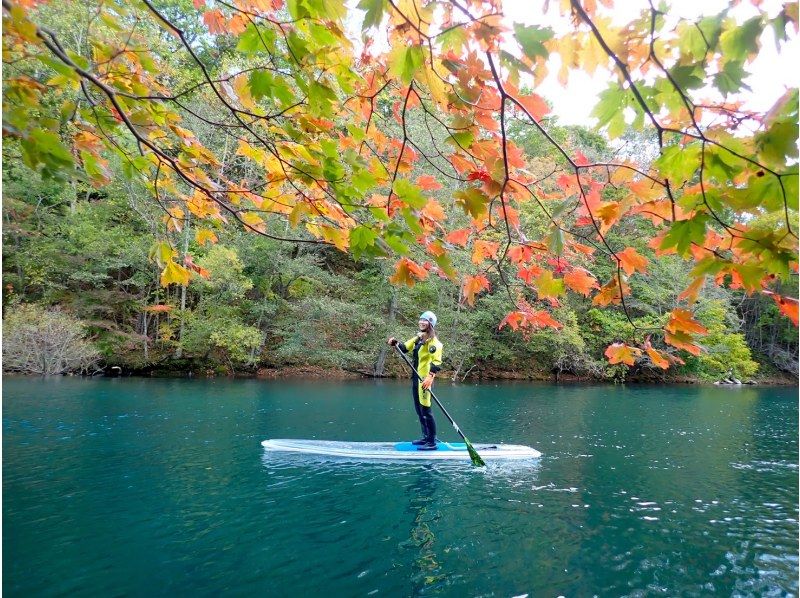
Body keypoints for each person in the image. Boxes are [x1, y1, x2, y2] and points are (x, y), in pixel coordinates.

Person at [387, 311, 443, 450]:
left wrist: (430, 377)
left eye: (426, 321)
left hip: (424, 380)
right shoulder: (418, 338)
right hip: (415, 378)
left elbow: (436, 363)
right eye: (421, 319)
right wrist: (395, 343)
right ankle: (425, 437)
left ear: (431, 324)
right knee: (419, 410)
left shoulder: (434, 343)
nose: (422, 322)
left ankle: (432, 441)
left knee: (426, 410)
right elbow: (404, 348)